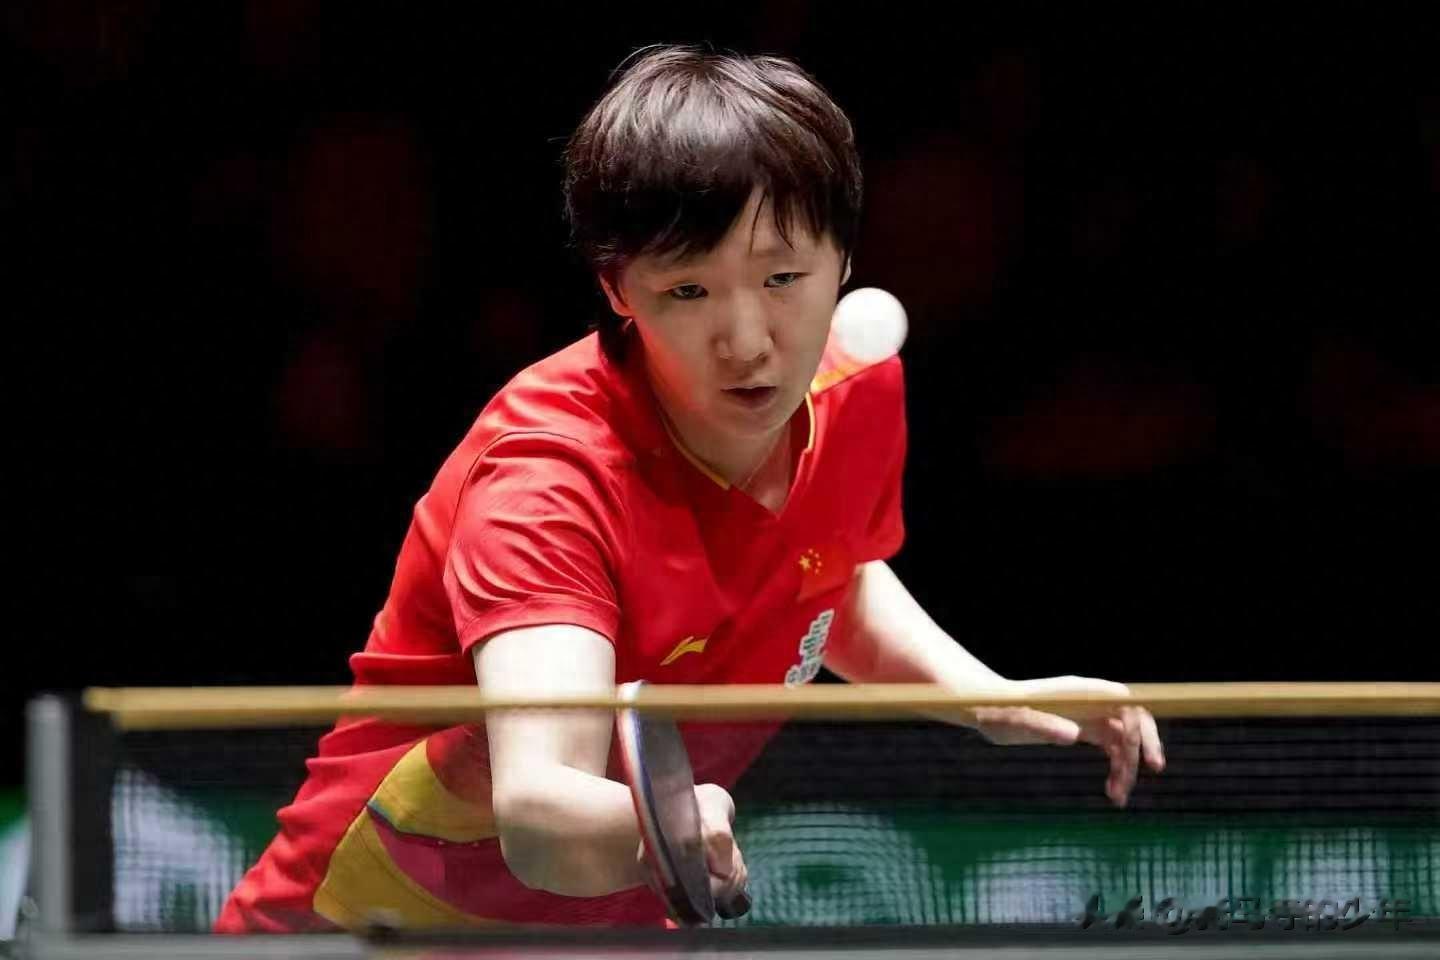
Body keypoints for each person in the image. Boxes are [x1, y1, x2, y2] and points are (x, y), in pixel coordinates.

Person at [217, 45, 1164, 933]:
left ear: (844, 258)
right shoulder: (550, 482)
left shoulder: (853, 384)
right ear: (617, 288)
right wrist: (666, 821)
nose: (748, 343)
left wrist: (987, 697)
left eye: (783, 277)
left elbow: (821, 571)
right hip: (366, 929)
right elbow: (539, 811)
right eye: (688, 291)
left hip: (605, 930)